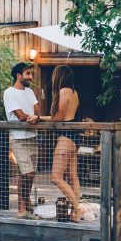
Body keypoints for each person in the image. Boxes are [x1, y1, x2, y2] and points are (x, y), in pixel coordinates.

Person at [37, 65, 82, 221]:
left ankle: (77, 208)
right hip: (74, 136)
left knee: (56, 177)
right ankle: (76, 214)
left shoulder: (64, 91)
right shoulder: (74, 92)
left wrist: (39, 118)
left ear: (59, 77)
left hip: (66, 136)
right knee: (71, 175)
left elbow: (58, 118)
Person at [3, 62, 40, 215]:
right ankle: (21, 206)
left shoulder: (30, 92)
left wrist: (34, 117)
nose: (31, 77)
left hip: (33, 136)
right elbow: (20, 116)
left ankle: (27, 201)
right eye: (28, 74)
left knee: (31, 175)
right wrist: (32, 117)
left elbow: (37, 112)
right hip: (18, 138)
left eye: (31, 74)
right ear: (18, 75)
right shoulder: (9, 92)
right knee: (26, 173)